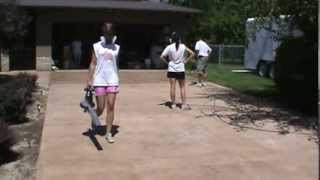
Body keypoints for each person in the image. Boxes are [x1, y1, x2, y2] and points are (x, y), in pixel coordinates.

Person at [87, 22, 120, 143]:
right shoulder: (96, 46)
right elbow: (93, 63)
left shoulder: (117, 48)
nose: (109, 35)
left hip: (112, 80)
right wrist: (89, 79)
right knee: (101, 107)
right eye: (107, 33)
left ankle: (108, 133)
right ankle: (95, 116)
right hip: (99, 80)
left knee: (111, 106)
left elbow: (115, 65)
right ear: (103, 33)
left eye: (111, 33)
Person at [160, 32, 195, 110]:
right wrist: (185, 61)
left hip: (171, 69)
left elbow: (162, 57)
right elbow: (192, 53)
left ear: (172, 39)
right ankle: (183, 105)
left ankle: (173, 104)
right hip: (180, 69)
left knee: (172, 87)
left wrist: (168, 63)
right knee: (182, 87)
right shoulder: (183, 46)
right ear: (179, 39)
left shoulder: (169, 47)